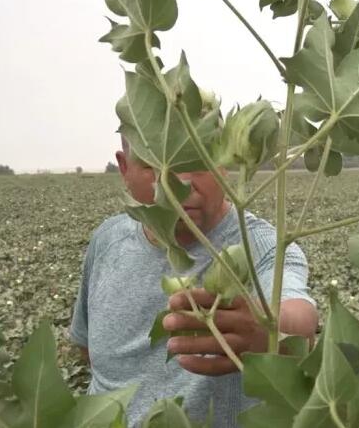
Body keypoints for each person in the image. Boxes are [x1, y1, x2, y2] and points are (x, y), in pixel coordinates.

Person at [69, 138, 318, 426]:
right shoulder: (107, 240)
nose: (181, 183)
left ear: (223, 164)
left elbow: (297, 317)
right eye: (156, 163)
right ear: (125, 168)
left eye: (197, 161)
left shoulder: (260, 248)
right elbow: (89, 350)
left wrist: (271, 330)